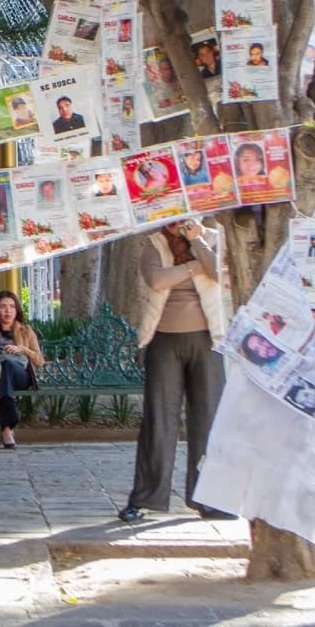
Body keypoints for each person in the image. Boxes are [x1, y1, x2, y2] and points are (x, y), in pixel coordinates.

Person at [117, 220, 231, 523]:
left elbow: (219, 272)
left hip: (209, 340)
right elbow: (156, 279)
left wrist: (198, 243)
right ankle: (145, 497)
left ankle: (209, 499)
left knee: (207, 419)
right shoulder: (154, 244)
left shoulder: (214, 238)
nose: (180, 221)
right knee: (159, 420)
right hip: (164, 340)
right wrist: (195, 267)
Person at [0, 291, 43, 449]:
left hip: (20, 375)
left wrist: (23, 350)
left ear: (17, 310)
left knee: (7, 365)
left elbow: (40, 361)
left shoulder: (25, 330)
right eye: (3, 307)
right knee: (3, 377)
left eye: (12, 307)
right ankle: (7, 431)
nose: (8, 311)